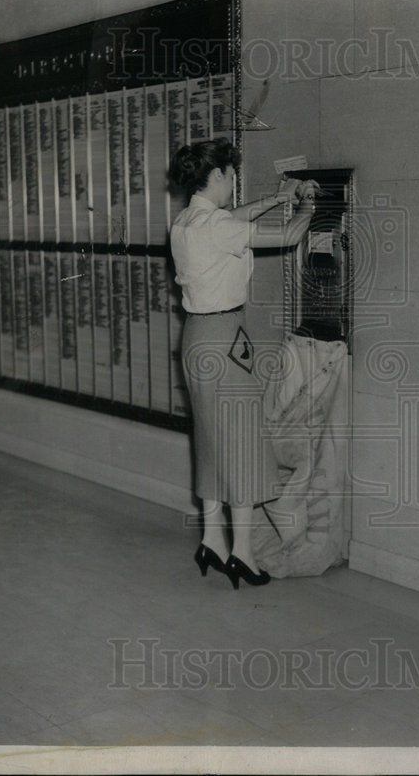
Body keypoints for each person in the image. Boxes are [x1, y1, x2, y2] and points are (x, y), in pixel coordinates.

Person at [167, 137, 317, 589]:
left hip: (196, 338)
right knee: (245, 443)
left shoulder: (186, 221)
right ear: (218, 176)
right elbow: (289, 238)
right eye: (232, 173)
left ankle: (212, 540)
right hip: (225, 339)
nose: (234, 182)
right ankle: (244, 555)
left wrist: (276, 196)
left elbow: (234, 219)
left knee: (212, 441)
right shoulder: (216, 226)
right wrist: (308, 203)